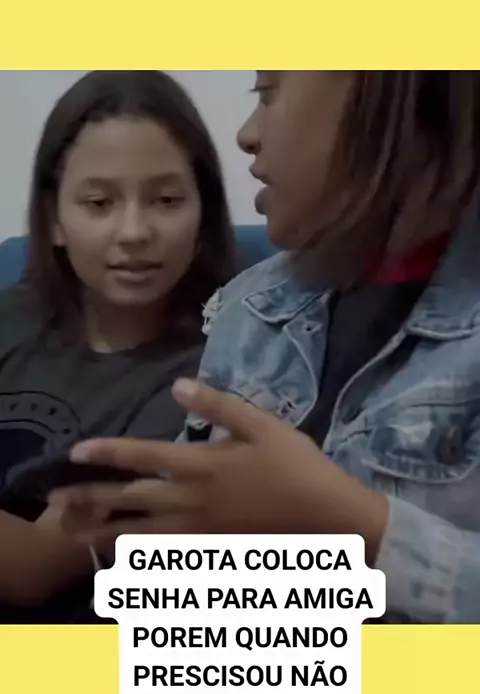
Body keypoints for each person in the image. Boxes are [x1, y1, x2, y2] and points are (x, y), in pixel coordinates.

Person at [52, 71, 480, 624]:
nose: (246, 134)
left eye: (268, 92)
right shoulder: (250, 303)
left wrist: (355, 524)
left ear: (392, 92)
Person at [0, 69, 235, 618]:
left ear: (203, 215)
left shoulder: (209, 381)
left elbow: (33, 566)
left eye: (166, 200)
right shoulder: (12, 315)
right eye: (100, 203)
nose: (133, 232)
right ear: (54, 220)